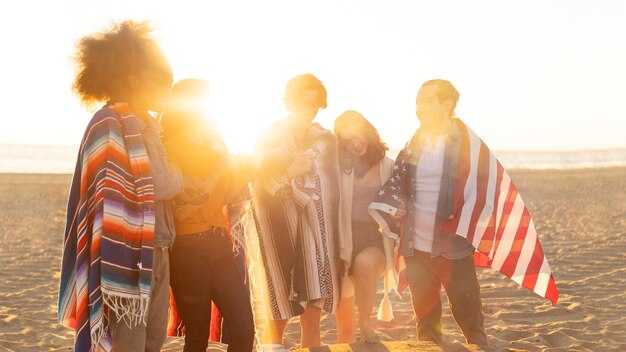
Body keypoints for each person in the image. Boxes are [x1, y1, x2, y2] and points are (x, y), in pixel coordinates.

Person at [58, 20, 183, 352]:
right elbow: (139, 186)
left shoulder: (151, 127)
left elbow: (152, 181)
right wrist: (178, 179)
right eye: (163, 84)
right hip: (125, 258)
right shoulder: (108, 122)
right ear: (134, 79)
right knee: (127, 345)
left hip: (158, 249)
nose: (168, 93)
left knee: (153, 341)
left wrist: (170, 180)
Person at [368, 79, 488, 345]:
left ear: (447, 104)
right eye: (417, 102)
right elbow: (402, 185)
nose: (419, 108)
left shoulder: (468, 143)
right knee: (427, 329)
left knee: (471, 322)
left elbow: (484, 190)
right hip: (416, 249)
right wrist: (398, 205)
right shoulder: (415, 142)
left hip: (454, 248)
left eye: (426, 101)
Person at [161, 79, 256, 352]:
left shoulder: (217, 143)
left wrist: (245, 172)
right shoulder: (172, 146)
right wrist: (219, 171)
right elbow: (187, 199)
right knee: (197, 336)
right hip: (188, 247)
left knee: (243, 327)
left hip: (220, 243)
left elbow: (225, 195)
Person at [252, 73, 340, 350]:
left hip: (314, 232)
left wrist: (297, 180)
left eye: (315, 104)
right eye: (304, 102)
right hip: (278, 229)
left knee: (312, 309)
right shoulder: (269, 137)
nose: (310, 109)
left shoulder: (325, 140)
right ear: (289, 102)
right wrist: (292, 172)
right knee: (279, 304)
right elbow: (259, 178)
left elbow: (329, 182)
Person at [333, 110, 398, 344]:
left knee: (365, 264)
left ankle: (367, 324)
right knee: (344, 313)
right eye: (347, 140)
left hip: (375, 239)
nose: (354, 143)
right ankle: (348, 338)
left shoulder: (388, 166)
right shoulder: (339, 168)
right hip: (343, 238)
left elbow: (405, 200)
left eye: (357, 135)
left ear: (368, 132)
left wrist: (399, 209)